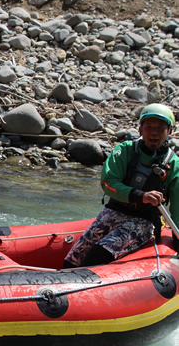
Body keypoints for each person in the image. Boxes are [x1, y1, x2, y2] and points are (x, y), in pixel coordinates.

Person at [64, 103, 179, 268]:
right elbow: (108, 182)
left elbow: (178, 210)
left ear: (169, 132)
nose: (154, 132)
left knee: (98, 254)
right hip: (112, 213)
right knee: (72, 260)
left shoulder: (174, 165)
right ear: (140, 131)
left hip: (142, 222)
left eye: (160, 128)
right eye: (149, 127)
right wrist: (142, 196)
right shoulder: (124, 151)